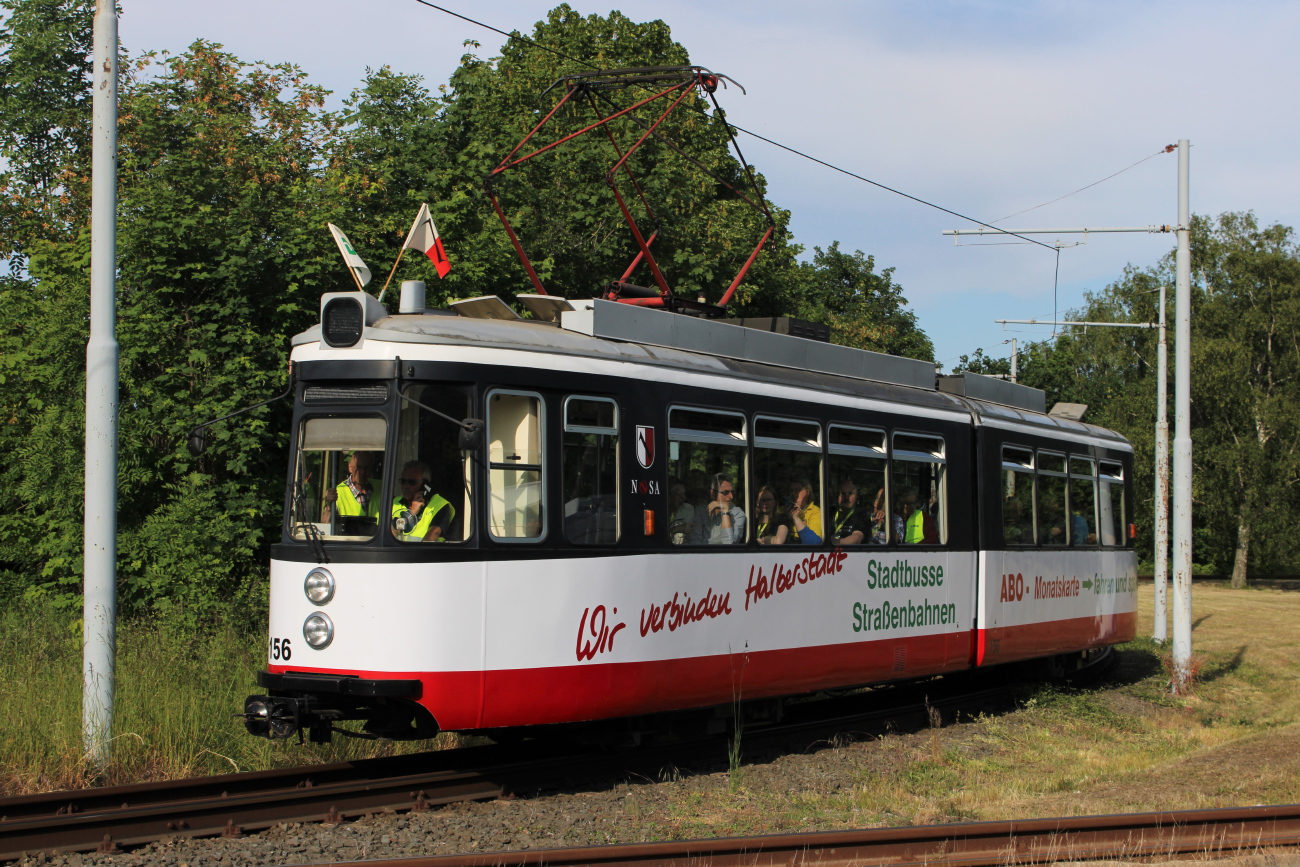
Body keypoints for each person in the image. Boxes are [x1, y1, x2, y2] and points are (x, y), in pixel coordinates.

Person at [392, 459, 455, 543]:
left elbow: (432, 537)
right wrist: (411, 514)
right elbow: (389, 536)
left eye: (412, 482)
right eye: (403, 481)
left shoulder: (439, 505)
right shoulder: (394, 502)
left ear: (425, 485)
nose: (406, 486)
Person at [322, 450, 381, 525]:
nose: (362, 472)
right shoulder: (338, 492)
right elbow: (325, 524)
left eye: (366, 468)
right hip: (349, 537)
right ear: (350, 468)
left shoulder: (381, 487)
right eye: (358, 468)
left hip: (377, 536)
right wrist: (330, 507)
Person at [690, 474, 746, 544]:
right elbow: (695, 540)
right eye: (726, 492)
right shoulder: (700, 510)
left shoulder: (738, 513)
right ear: (712, 493)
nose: (731, 496)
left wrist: (725, 511)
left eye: (732, 492)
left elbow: (729, 543)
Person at [830, 479, 867, 545]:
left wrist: (838, 542)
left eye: (850, 493)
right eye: (843, 494)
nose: (846, 497)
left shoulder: (861, 515)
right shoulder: (830, 512)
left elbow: (857, 537)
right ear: (838, 496)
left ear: (857, 496)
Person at [788, 480, 822, 545]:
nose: (793, 493)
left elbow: (813, 543)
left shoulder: (815, 511)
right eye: (791, 490)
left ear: (808, 491)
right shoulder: (784, 510)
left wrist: (796, 519)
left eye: (797, 490)